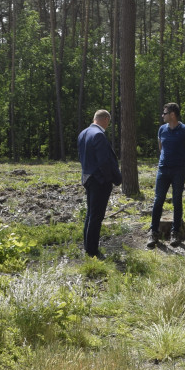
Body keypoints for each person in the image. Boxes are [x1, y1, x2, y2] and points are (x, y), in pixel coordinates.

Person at [148, 102, 185, 249]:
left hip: (178, 170)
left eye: (165, 113)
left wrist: (181, 163)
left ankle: (175, 232)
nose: (162, 115)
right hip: (163, 170)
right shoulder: (162, 129)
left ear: (172, 114)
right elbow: (161, 147)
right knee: (158, 200)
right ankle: (153, 232)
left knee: (177, 200)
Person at [77, 109, 122, 259]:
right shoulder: (98, 135)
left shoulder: (83, 133)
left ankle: (87, 245)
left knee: (91, 213)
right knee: (96, 216)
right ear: (105, 119)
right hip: (99, 180)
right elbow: (104, 162)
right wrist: (111, 179)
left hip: (87, 177)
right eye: (108, 122)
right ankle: (92, 250)